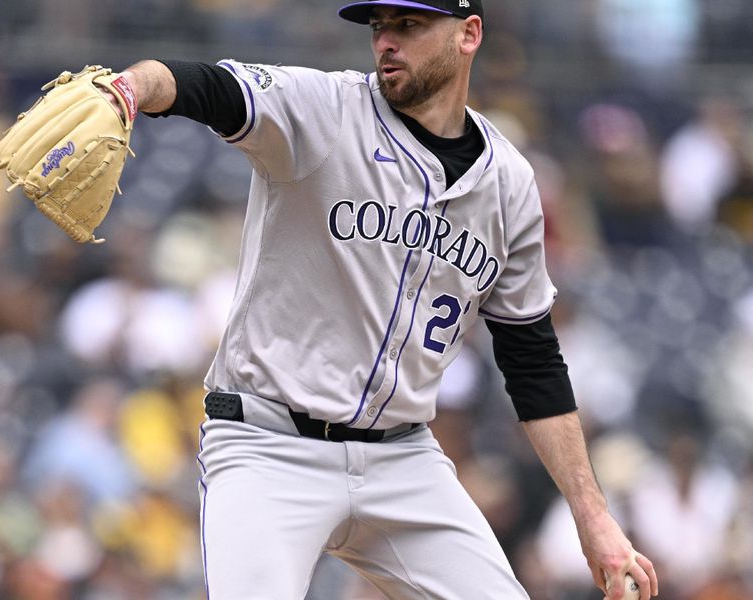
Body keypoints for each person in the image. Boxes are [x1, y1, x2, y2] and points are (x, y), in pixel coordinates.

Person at [105, 1, 659, 598]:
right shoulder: (324, 109)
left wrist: (592, 515)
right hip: (269, 448)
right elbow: (207, 87)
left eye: (409, 25)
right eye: (379, 27)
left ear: (469, 34)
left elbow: (534, 366)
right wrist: (127, 89)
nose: (387, 42)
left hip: (402, 459)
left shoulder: (510, 184)